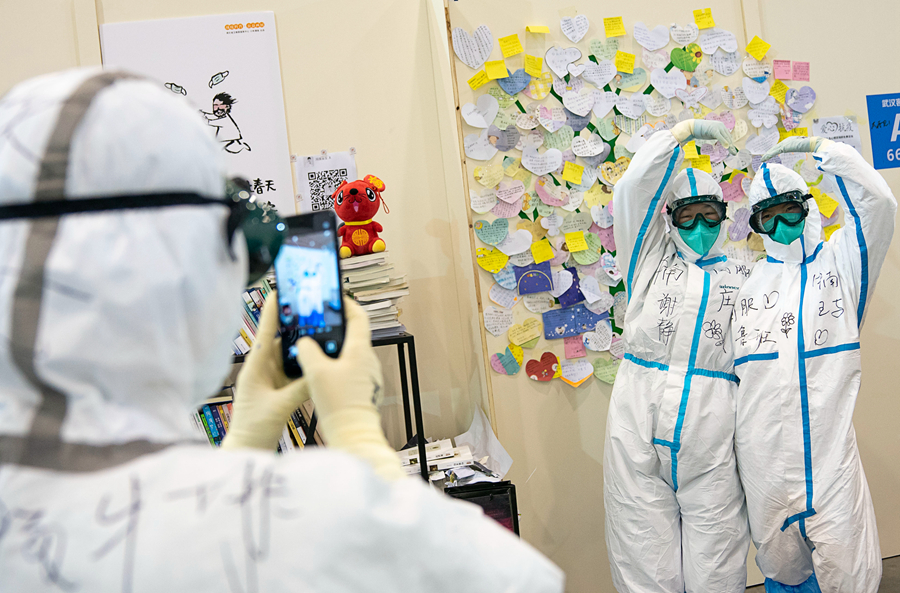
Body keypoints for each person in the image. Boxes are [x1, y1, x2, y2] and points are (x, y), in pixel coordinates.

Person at [0, 68, 564, 592]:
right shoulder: (299, 523)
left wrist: (239, 449)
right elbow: (520, 582)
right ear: (185, 265)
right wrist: (364, 450)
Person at [732, 137, 896, 593]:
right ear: (757, 224)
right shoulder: (748, 284)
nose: (782, 224)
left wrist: (827, 151)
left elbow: (879, 206)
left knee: (850, 571)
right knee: (782, 570)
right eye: (769, 216)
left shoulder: (841, 264)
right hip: (762, 462)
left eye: (791, 209)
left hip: (829, 461)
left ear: (807, 208)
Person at [604, 119, 752, 593]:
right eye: (688, 216)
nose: (700, 227)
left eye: (710, 215)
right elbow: (632, 191)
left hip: (712, 426)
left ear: (724, 217)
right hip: (638, 416)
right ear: (670, 219)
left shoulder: (744, 277)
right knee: (642, 553)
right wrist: (678, 135)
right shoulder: (647, 262)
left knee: (717, 561)